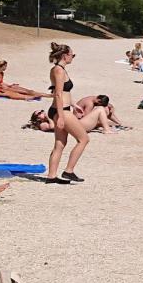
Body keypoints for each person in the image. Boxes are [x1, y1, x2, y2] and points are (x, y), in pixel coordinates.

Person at [43, 43, 88, 184]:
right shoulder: (59, 70)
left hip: (62, 108)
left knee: (60, 143)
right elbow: (57, 94)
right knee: (83, 139)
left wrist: (74, 104)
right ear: (65, 55)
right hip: (60, 110)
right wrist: (61, 116)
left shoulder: (60, 69)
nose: (73, 58)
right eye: (72, 55)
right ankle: (69, 171)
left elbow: (65, 92)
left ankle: (51, 176)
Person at [29, 105, 118, 134]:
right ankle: (107, 129)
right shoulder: (42, 124)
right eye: (39, 113)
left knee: (102, 114)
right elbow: (52, 126)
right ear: (37, 119)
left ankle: (117, 124)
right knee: (100, 110)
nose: (42, 112)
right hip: (77, 126)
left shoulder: (47, 120)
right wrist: (48, 117)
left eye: (41, 111)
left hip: (76, 124)